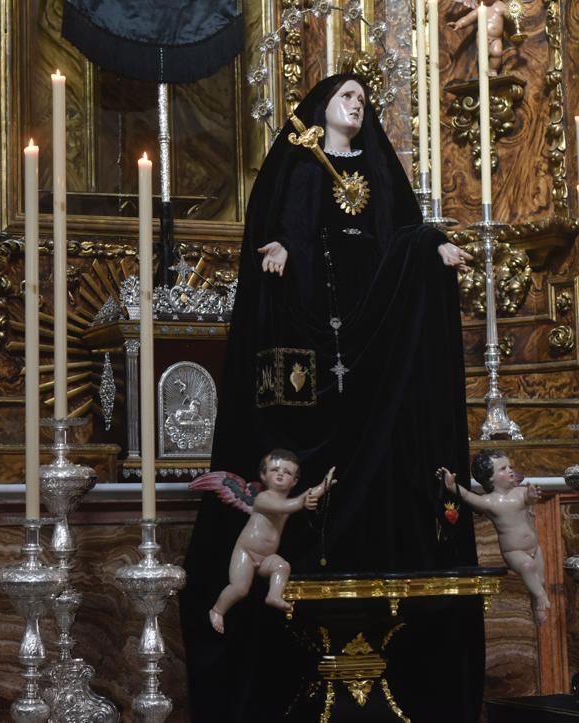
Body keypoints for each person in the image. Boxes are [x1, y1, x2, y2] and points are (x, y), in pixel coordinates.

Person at [180, 75, 483, 722]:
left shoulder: (374, 165)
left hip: (373, 314)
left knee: (380, 413)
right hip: (320, 312)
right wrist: (283, 246)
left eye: (363, 100)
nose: (357, 104)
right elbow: (290, 215)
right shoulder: (305, 159)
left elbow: (403, 230)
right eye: (346, 95)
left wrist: (435, 246)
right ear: (322, 106)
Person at [190, 449, 335, 631]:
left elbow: (304, 497)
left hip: (267, 556)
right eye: (275, 470)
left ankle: (273, 596)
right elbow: (285, 506)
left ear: (295, 481)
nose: (281, 474)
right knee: (240, 588)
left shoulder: (289, 501)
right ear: (263, 475)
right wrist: (302, 502)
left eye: (287, 472)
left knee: (282, 566)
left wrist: (324, 485)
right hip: (246, 552)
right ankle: (217, 610)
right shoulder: (263, 498)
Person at [442, 451, 548, 623]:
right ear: (490, 478)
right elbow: (468, 496)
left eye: (510, 467)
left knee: (540, 579)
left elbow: (527, 500)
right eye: (503, 469)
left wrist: (532, 496)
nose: (510, 471)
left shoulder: (520, 492)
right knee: (528, 567)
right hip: (514, 551)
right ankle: (541, 597)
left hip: (535, 547)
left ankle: (536, 604)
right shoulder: (489, 502)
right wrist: (452, 487)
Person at [448, 0, 510, 75]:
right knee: (483, 53)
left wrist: (514, 15)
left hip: (496, 39)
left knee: (497, 53)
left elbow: (510, 16)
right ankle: (484, 72)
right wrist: (459, 24)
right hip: (482, 37)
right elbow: (468, 18)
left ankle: (492, 70)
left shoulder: (501, 6)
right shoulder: (480, 8)